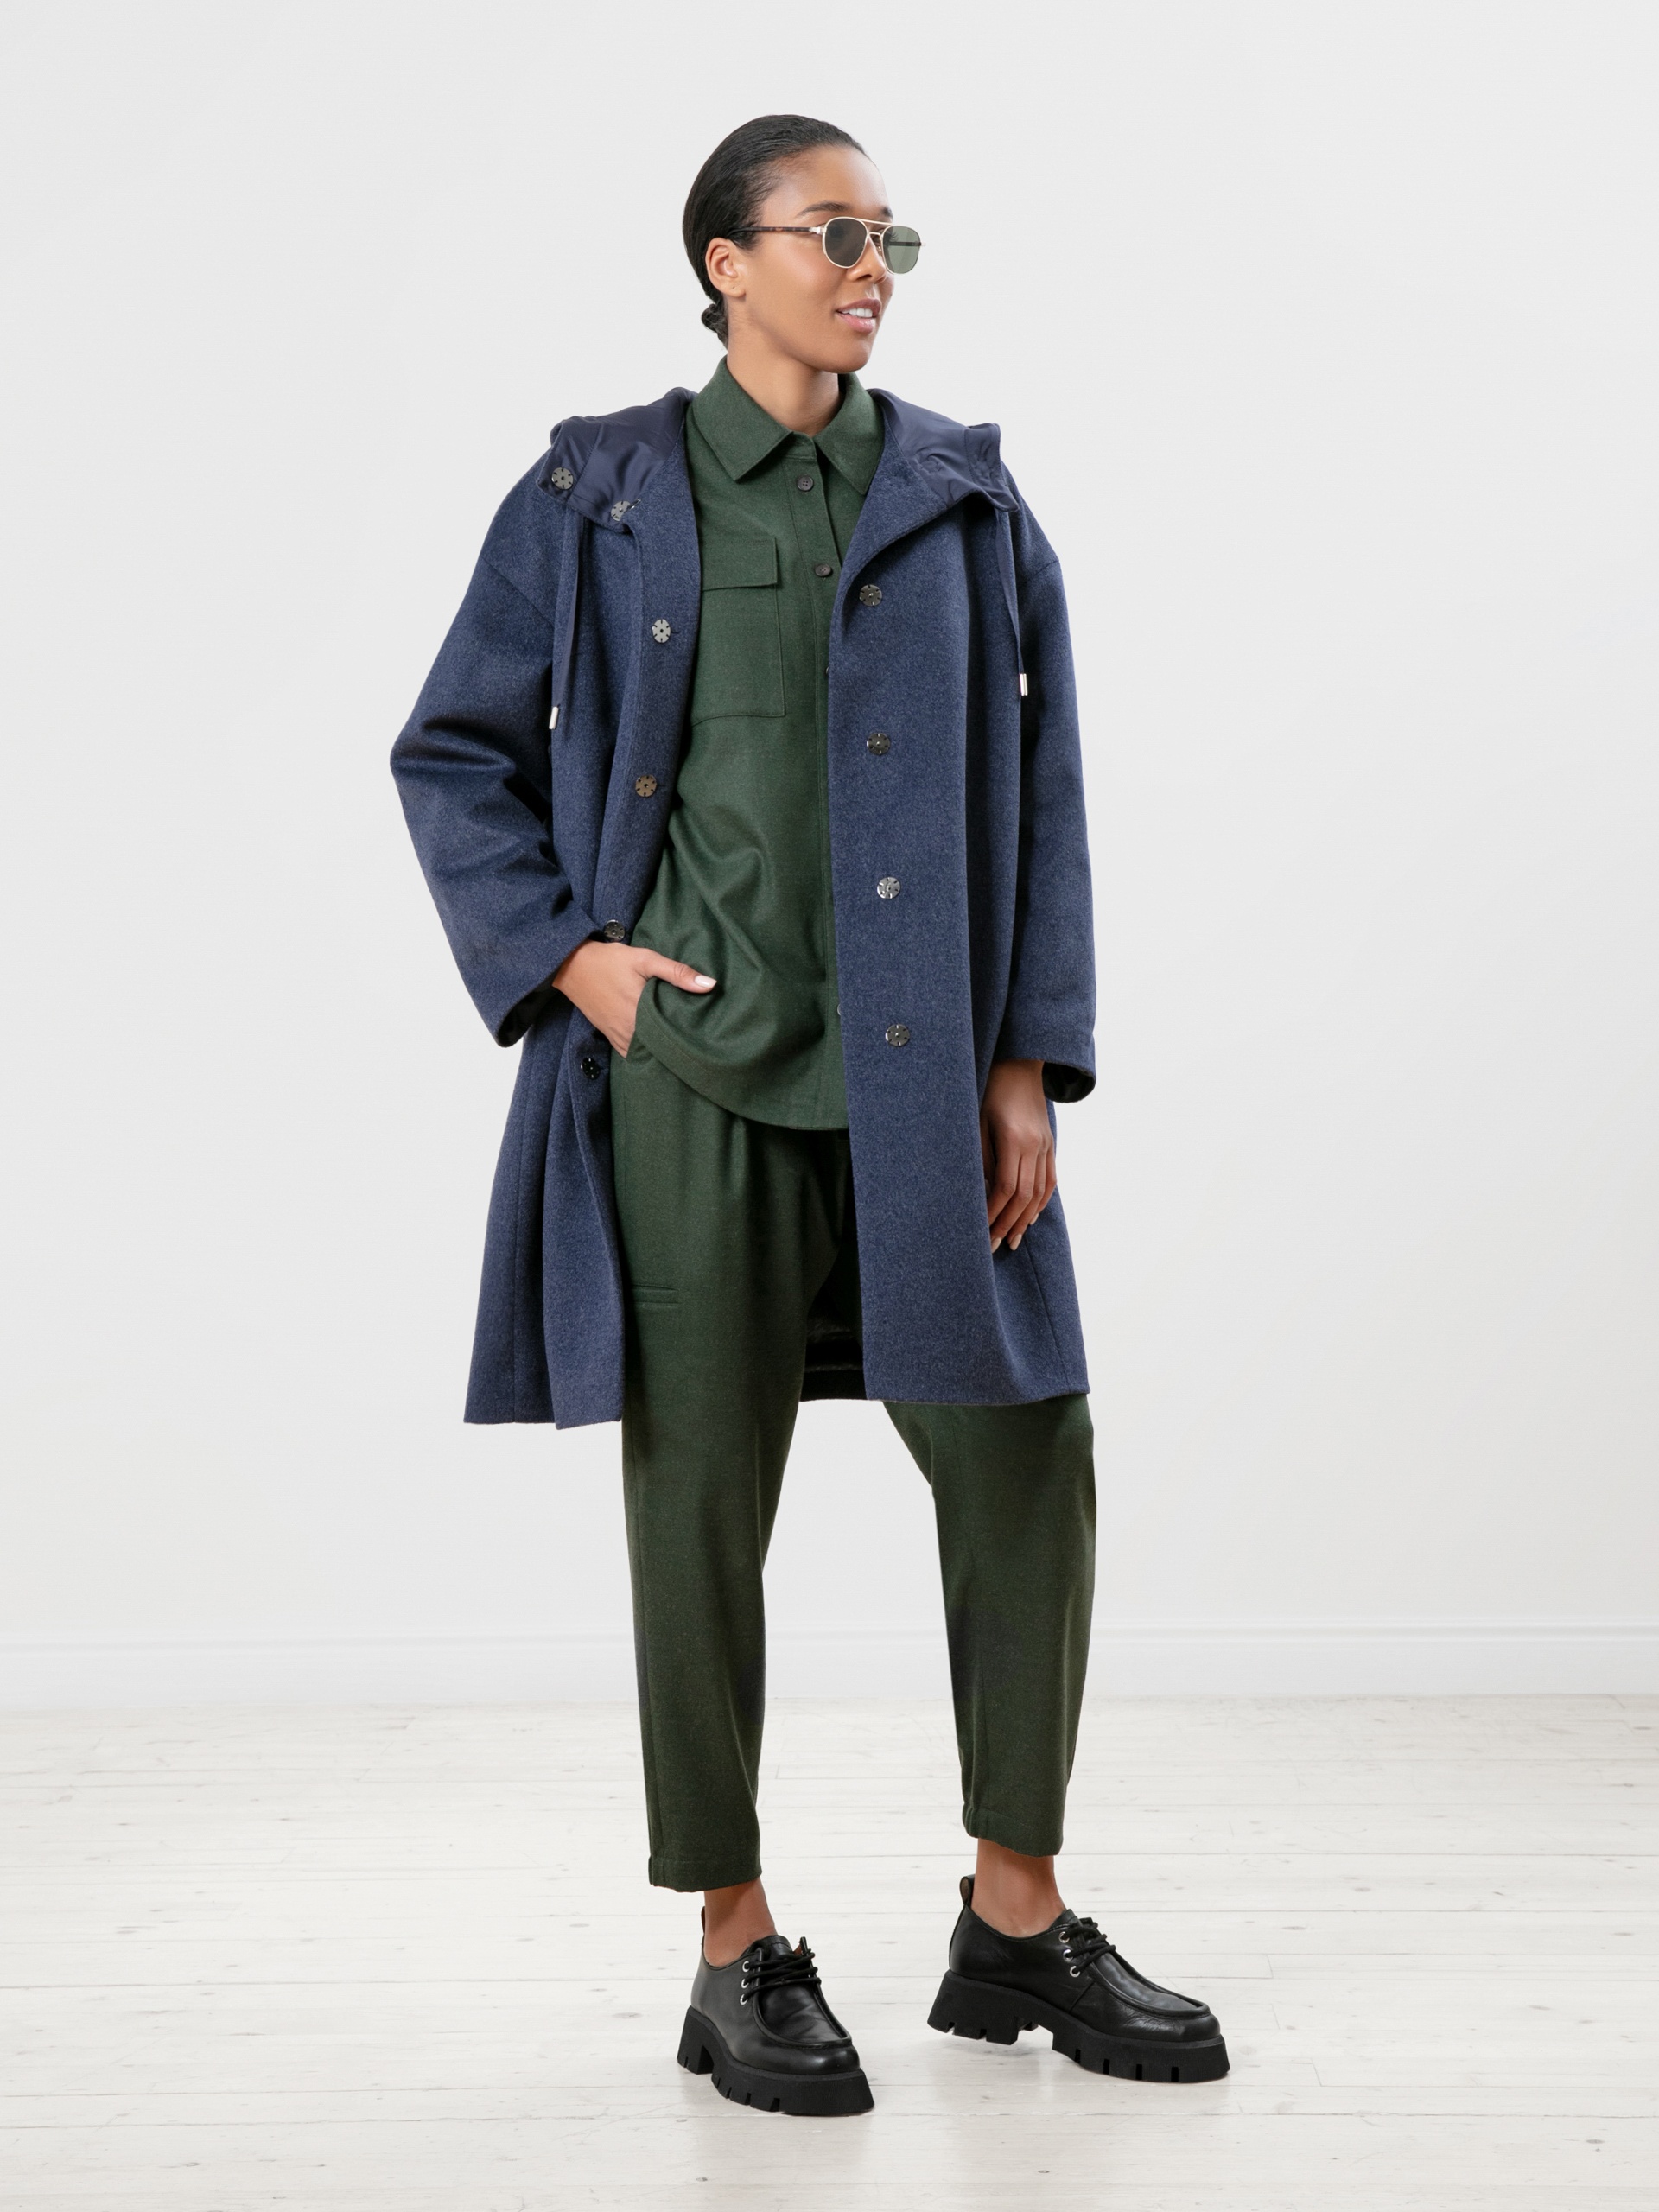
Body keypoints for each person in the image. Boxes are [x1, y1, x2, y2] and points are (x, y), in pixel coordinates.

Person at [391, 112, 1226, 2118]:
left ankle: (1013, 1916)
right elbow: (452, 751)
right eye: (832, 233)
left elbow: (1051, 792)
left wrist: (1028, 1062)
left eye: (889, 239)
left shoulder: (962, 497)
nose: (869, 268)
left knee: (1027, 1451)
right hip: (694, 1080)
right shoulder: (596, 492)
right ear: (722, 261)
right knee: (699, 1501)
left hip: (932, 1087)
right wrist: (575, 961)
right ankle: (733, 1938)